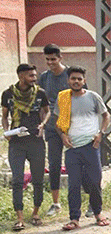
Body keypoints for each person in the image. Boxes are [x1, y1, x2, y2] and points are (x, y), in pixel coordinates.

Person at [54, 66, 110, 231]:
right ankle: (74, 218)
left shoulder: (93, 97)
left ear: (84, 81)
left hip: (91, 146)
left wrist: (101, 134)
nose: (76, 81)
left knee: (95, 181)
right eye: (73, 79)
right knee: (73, 184)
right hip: (72, 148)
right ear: (68, 80)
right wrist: (63, 136)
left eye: (79, 79)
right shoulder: (63, 98)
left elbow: (106, 116)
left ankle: (98, 213)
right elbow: (58, 123)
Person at [2, 63, 49, 231]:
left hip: (36, 141)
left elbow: (47, 110)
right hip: (16, 142)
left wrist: (43, 124)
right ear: (21, 76)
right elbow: (5, 116)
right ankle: (19, 217)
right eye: (31, 76)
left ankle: (35, 213)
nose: (34, 79)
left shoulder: (40, 93)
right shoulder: (8, 94)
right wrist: (7, 132)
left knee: (38, 179)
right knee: (17, 180)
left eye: (35, 76)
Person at [37, 44, 70, 217]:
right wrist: (43, 123)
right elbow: (43, 104)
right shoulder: (44, 78)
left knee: (79, 163)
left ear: (60, 58)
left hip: (72, 126)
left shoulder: (70, 74)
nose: (50, 63)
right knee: (54, 164)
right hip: (52, 127)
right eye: (47, 59)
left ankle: (87, 199)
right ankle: (56, 203)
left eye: (53, 59)